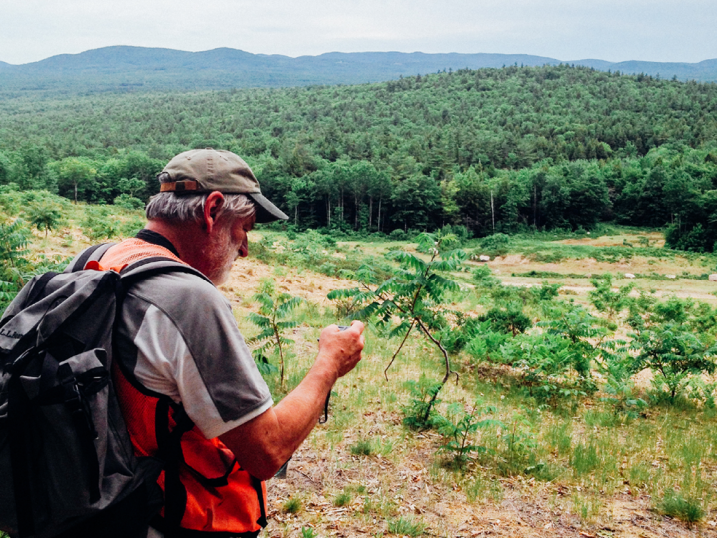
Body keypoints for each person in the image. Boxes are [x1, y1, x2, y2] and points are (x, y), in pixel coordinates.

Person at [87, 148, 365, 537]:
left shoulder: (102, 260)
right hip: (168, 520)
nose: (246, 248)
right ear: (213, 209)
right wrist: (329, 363)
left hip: (98, 507)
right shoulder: (189, 299)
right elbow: (267, 451)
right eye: (245, 228)